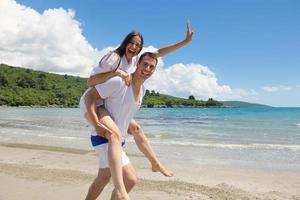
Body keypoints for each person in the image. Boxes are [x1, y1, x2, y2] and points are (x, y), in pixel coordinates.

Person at [80, 21, 193, 200]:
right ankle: (121, 191)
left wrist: (184, 42)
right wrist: (116, 73)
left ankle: (155, 163)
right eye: (131, 43)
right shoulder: (114, 59)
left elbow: (159, 53)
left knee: (132, 134)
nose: (134, 47)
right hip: (95, 102)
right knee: (115, 134)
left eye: (138, 45)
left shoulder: (136, 64)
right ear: (125, 43)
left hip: (109, 100)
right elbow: (90, 84)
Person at [83, 52, 159, 200]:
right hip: (106, 138)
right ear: (137, 64)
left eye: (152, 67)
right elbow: (90, 97)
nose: (148, 68)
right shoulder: (119, 81)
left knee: (104, 177)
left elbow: (123, 112)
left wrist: (131, 127)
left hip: (118, 140)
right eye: (145, 64)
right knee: (130, 179)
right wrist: (97, 123)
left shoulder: (142, 90)